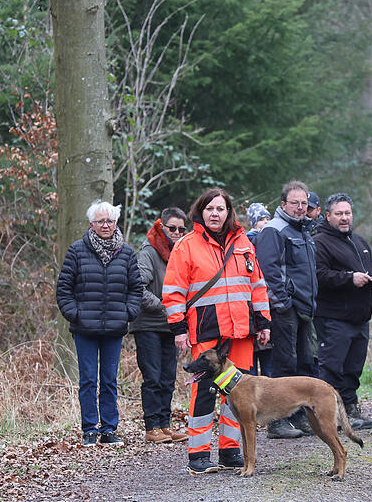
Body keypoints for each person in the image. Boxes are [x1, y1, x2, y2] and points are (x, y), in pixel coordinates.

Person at [162, 188, 272, 474]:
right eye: (210, 208)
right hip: (206, 330)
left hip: (241, 332)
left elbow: (257, 286)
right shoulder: (186, 245)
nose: (215, 213)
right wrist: (178, 328)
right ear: (201, 211)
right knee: (203, 393)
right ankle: (198, 455)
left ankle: (230, 449)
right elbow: (173, 292)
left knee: (239, 394)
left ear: (228, 212)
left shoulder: (244, 242)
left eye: (220, 209)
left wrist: (263, 322)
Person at [56, 200, 143, 447]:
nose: (106, 225)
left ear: (116, 223)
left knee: (109, 380)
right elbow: (64, 289)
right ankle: (89, 429)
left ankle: (108, 429)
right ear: (92, 224)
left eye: (110, 221)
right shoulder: (76, 250)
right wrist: (75, 314)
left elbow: (136, 288)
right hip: (85, 329)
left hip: (115, 327)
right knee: (88, 380)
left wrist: (129, 312)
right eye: (101, 221)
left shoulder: (126, 252)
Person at [313, 193, 372, 430]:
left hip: (360, 318)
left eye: (347, 213)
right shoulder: (319, 242)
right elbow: (319, 275)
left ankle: (351, 409)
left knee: (353, 368)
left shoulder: (359, 241)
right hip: (334, 317)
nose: (344, 218)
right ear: (328, 216)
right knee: (332, 368)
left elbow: (368, 268)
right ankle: (327, 417)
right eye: (339, 214)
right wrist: (348, 279)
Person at [254, 180, 318, 438]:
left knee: (304, 363)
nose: (300, 208)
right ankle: (276, 422)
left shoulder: (303, 230)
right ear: (283, 204)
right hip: (285, 309)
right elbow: (269, 271)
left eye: (304, 203)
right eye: (295, 203)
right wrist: (282, 304)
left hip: (305, 307)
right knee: (284, 365)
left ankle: (300, 416)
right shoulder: (274, 230)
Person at [131, 207, 189, 444]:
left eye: (181, 229)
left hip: (170, 326)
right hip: (148, 324)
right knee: (152, 376)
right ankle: (151, 426)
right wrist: (166, 307)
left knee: (167, 377)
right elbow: (137, 288)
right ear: (162, 227)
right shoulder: (149, 253)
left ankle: (164, 425)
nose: (176, 233)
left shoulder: (181, 253)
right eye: (172, 228)